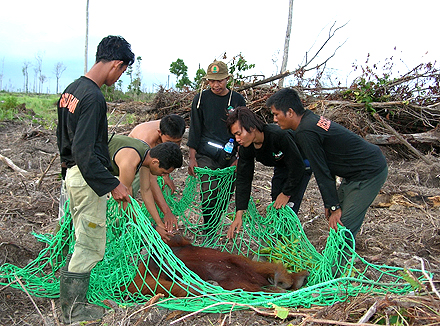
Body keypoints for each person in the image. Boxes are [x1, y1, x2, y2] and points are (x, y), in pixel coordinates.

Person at [56, 35, 134, 324]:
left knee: (80, 239)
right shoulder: (93, 97)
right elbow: (84, 152)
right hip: (86, 177)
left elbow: (64, 141)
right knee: (89, 245)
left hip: (74, 176)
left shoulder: (71, 90)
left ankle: (73, 305)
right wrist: (112, 184)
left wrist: (70, 174)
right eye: (123, 70)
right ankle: (75, 313)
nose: (120, 76)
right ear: (116, 64)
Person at [266, 88, 388, 245]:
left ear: (290, 112)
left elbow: (320, 170)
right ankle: (332, 261)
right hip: (352, 174)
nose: (275, 119)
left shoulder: (306, 131)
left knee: (343, 226)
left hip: (369, 172)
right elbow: (325, 165)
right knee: (335, 221)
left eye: (276, 114)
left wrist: (333, 205)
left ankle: (334, 268)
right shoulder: (308, 121)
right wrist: (331, 204)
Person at [225, 106, 311, 239]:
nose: (237, 139)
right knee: (276, 202)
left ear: (252, 127)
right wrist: (239, 212)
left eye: (238, 133)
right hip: (281, 165)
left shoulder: (278, 135)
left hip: (302, 163)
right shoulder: (246, 147)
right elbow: (243, 178)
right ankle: (277, 236)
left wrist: (286, 193)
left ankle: (286, 241)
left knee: (288, 206)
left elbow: (297, 166)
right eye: (234, 135)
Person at [187, 60, 246, 230]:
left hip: (229, 155)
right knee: (208, 192)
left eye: (219, 80)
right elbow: (195, 129)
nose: (215, 84)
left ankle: (214, 223)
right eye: (211, 81)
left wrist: (239, 157)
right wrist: (192, 157)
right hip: (206, 154)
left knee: (225, 193)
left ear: (227, 79)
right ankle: (208, 228)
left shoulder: (236, 99)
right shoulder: (201, 99)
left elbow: (243, 129)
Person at [108, 134, 183, 238]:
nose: (163, 176)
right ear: (155, 162)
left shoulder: (146, 154)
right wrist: (152, 229)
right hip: (84, 170)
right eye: (163, 172)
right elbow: (124, 203)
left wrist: (160, 224)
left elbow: (146, 191)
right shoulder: (130, 162)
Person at [128, 114, 186, 231]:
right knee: (129, 194)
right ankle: (121, 224)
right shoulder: (146, 142)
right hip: (131, 161)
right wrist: (167, 212)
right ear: (160, 133)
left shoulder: (172, 125)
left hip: (149, 158)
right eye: (170, 141)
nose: (174, 146)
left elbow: (166, 155)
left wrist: (166, 175)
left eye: (178, 142)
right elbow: (149, 184)